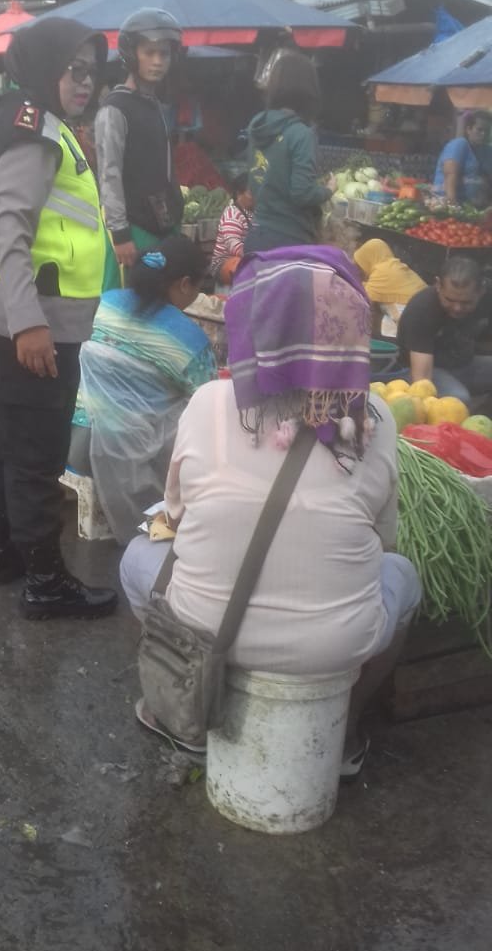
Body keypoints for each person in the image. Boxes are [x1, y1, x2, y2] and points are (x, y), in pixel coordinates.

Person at [121, 246, 422, 772]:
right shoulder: (373, 420)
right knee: (402, 575)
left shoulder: (209, 404)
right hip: (335, 645)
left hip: (205, 626)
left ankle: (180, 712)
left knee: (134, 559)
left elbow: (177, 509)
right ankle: (344, 732)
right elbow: (385, 539)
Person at [0, 17, 118, 619]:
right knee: (35, 452)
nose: (85, 82)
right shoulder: (34, 130)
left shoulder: (28, 120)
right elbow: (9, 226)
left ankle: (4, 556)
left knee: (6, 443)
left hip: (14, 317)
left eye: (93, 71)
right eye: (74, 69)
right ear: (44, 68)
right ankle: (45, 582)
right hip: (34, 324)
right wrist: (30, 323)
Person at [71, 236, 217, 544]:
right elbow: (209, 405)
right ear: (184, 284)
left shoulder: (105, 301)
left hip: (71, 441)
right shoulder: (190, 340)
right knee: (199, 418)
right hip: (127, 461)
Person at [95, 8, 184, 281]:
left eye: (164, 54)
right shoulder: (115, 109)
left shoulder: (155, 105)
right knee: (126, 312)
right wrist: (120, 234)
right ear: (132, 54)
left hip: (163, 228)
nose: (158, 61)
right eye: (149, 53)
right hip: (133, 232)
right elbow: (109, 174)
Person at [245, 50, 336, 252]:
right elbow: (302, 193)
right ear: (309, 89)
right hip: (288, 241)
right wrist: (328, 189)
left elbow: (254, 180)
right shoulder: (301, 134)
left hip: (257, 233)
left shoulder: (257, 124)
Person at [396, 255, 492, 403]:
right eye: (449, 300)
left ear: (482, 291)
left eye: (466, 302)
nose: (457, 308)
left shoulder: (488, 297)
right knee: (458, 398)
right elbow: (421, 381)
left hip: (465, 364)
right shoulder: (422, 308)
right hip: (425, 369)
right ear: (438, 286)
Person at [353, 238, 426, 338]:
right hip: (423, 312)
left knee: (367, 320)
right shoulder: (392, 265)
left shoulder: (382, 271)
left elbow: (364, 300)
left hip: (413, 321)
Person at [432, 110, 492, 206]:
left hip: (472, 206)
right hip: (445, 203)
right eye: (479, 130)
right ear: (468, 129)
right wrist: (452, 202)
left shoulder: (488, 151)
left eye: (487, 131)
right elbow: (450, 175)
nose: (483, 134)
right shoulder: (459, 145)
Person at [210, 172, 256, 286]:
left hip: (247, 257)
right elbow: (234, 247)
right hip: (224, 264)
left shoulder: (254, 213)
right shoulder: (232, 215)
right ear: (239, 193)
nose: (256, 197)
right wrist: (257, 254)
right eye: (251, 193)